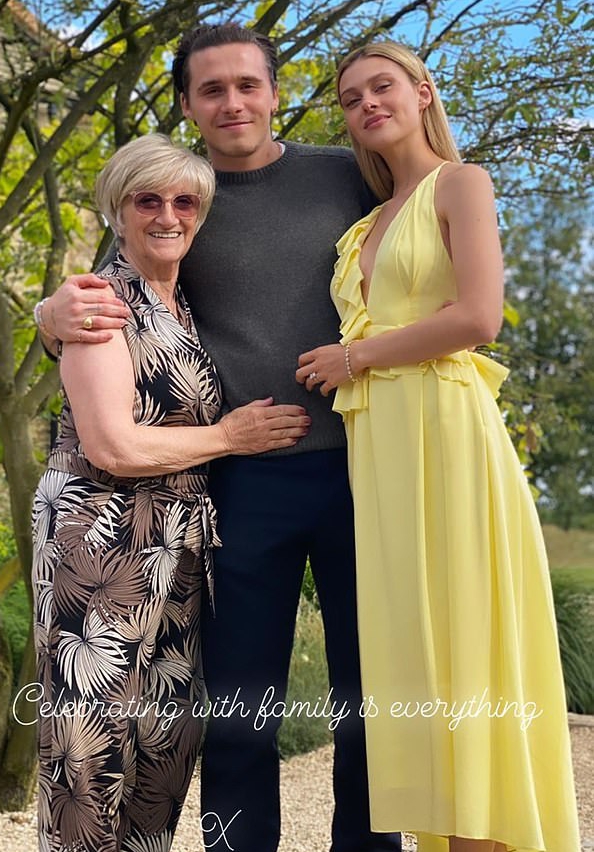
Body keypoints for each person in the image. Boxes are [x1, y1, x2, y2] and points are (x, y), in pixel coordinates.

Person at [33, 24, 402, 852]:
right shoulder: (172, 193)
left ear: (275, 90)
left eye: (247, 85)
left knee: (366, 706)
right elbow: (100, 303)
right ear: (189, 104)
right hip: (238, 485)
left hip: (361, 472)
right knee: (238, 712)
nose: (232, 102)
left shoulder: (348, 178)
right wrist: (49, 317)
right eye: (211, 89)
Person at [296, 41, 580, 852]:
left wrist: (353, 357)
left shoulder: (464, 184)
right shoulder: (360, 227)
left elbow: (479, 317)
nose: (366, 105)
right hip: (379, 451)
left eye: (381, 87)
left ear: (422, 93)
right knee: (411, 653)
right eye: (350, 98)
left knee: (462, 643)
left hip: (447, 439)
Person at [31, 133, 310, 852]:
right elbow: (112, 445)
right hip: (100, 539)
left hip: (178, 548)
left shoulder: (182, 302)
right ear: (117, 210)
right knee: (90, 749)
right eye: (146, 199)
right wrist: (232, 438)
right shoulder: (100, 303)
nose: (167, 214)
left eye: (185, 201)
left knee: (163, 741)